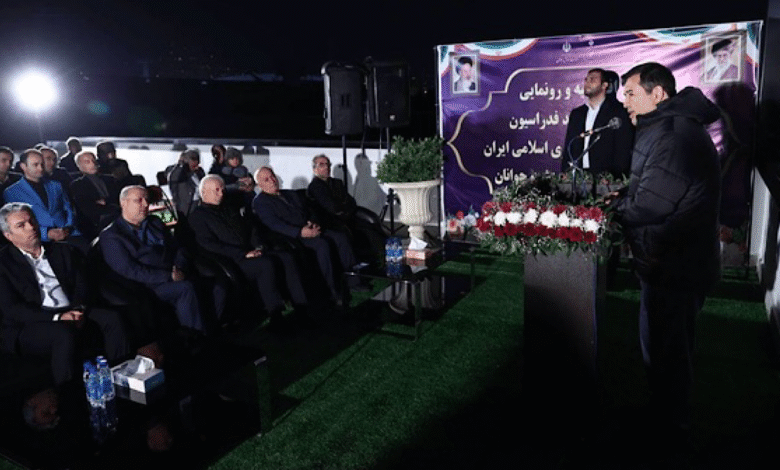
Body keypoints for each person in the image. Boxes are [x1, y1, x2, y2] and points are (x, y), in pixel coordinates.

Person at [610, 62, 721, 446]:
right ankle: (664, 418)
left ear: (657, 94)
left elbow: (653, 205)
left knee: (668, 352)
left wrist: (616, 209)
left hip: (675, 266)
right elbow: (654, 188)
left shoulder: (673, 135)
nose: (625, 101)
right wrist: (626, 196)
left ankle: (671, 430)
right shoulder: (667, 128)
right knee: (664, 349)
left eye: (631, 93)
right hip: (668, 263)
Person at [0, 203, 129, 385]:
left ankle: (121, 378)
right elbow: (12, 309)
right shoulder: (4, 264)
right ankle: (65, 391)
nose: (31, 227)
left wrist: (78, 309)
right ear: (8, 235)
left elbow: (82, 285)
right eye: (21, 225)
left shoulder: (63, 250)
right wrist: (58, 317)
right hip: (33, 321)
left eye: (32, 221)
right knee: (63, 333)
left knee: (112, 318)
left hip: (72, 308)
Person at [100, 185, 225, 336]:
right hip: (148, 285)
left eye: (146, 200)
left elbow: (177, 248)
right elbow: (129, 269)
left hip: (176, 271)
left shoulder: (155, 222)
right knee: (185, 289)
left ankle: (212, 333)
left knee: (218, 286)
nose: (145, 204)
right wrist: (168, 276)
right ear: (124, 203)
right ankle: (196, 339)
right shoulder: (111, 236)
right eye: (138, 200)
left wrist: (179, 266)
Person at [189, 175, 312, 325]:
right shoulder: (198, 217)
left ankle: (301, 306)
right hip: (232, 260)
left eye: (222, 189)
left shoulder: (229, 207)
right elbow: (209, 244)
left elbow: (251, 228)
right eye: (216, 190)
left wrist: (258, 246)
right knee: (265, 264)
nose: (221, 193)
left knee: (287, 257)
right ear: (204, 193)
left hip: (252, 250)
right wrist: (243, 254)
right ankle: (276, 315)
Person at [253, 166, 356, 304]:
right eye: (266, 179)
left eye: (272, 176)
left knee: (340, 237)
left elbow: (310, 210)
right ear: (260, 185)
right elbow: (274, 224)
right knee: (322, 245)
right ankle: (331, 290)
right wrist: (300, 232)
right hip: (292, 237)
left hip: (310, 228)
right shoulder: (260, 202)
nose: (272, 181)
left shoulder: (290, 194)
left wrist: (313, 222)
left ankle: (354, 281)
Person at [3, 149, 89, 253]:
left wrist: (68, 227)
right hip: (39, 238)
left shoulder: (56, 185)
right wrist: (46, 233)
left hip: (68, 233)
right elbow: (15, 221)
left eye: (42, 164)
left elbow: (69, 208)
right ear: (23, 166)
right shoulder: (11, 192)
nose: (40, 168)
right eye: (35, 165)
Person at [307, 154, 385, 267]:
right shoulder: (315, 186)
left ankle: (381, 262)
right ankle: (355, 267)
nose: (326, 167)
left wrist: (345, 209)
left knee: (372, 229)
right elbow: (331, 207)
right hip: (332, 222)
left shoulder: (337, 183)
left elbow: (351, 202)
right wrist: (344, 208)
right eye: (322, 165)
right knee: (350, 233)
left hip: (348, 216)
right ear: (315, 169)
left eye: (328, 164)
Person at [562, 68, 634, 178]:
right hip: (578, 177)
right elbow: (569, 146)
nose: (587, 83)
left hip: (606, 178)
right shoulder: (577, 114)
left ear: (604, 85)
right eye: (586, 80)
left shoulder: (618, 112)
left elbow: (623, 150)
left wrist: (615, 177)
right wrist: (565, 171)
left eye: (592, 79)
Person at [70, 151, 121, 239]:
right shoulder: (77, 185)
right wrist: (111, 205)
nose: (93, 164)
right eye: (87, 162)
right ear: (79, 166)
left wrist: (105, 202)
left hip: (117, 218)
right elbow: (89, 209)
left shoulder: (110, 179)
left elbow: (119, 198)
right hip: (95, 225)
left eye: (94, 160)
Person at [167, 148, 205, 218]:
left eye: (197, 164)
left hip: (200, 204)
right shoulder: (177, 173)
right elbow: (174, 177)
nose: (196, 168)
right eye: (194, 166)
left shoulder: (199, 172)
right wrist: (181, 163)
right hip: (186, 207)